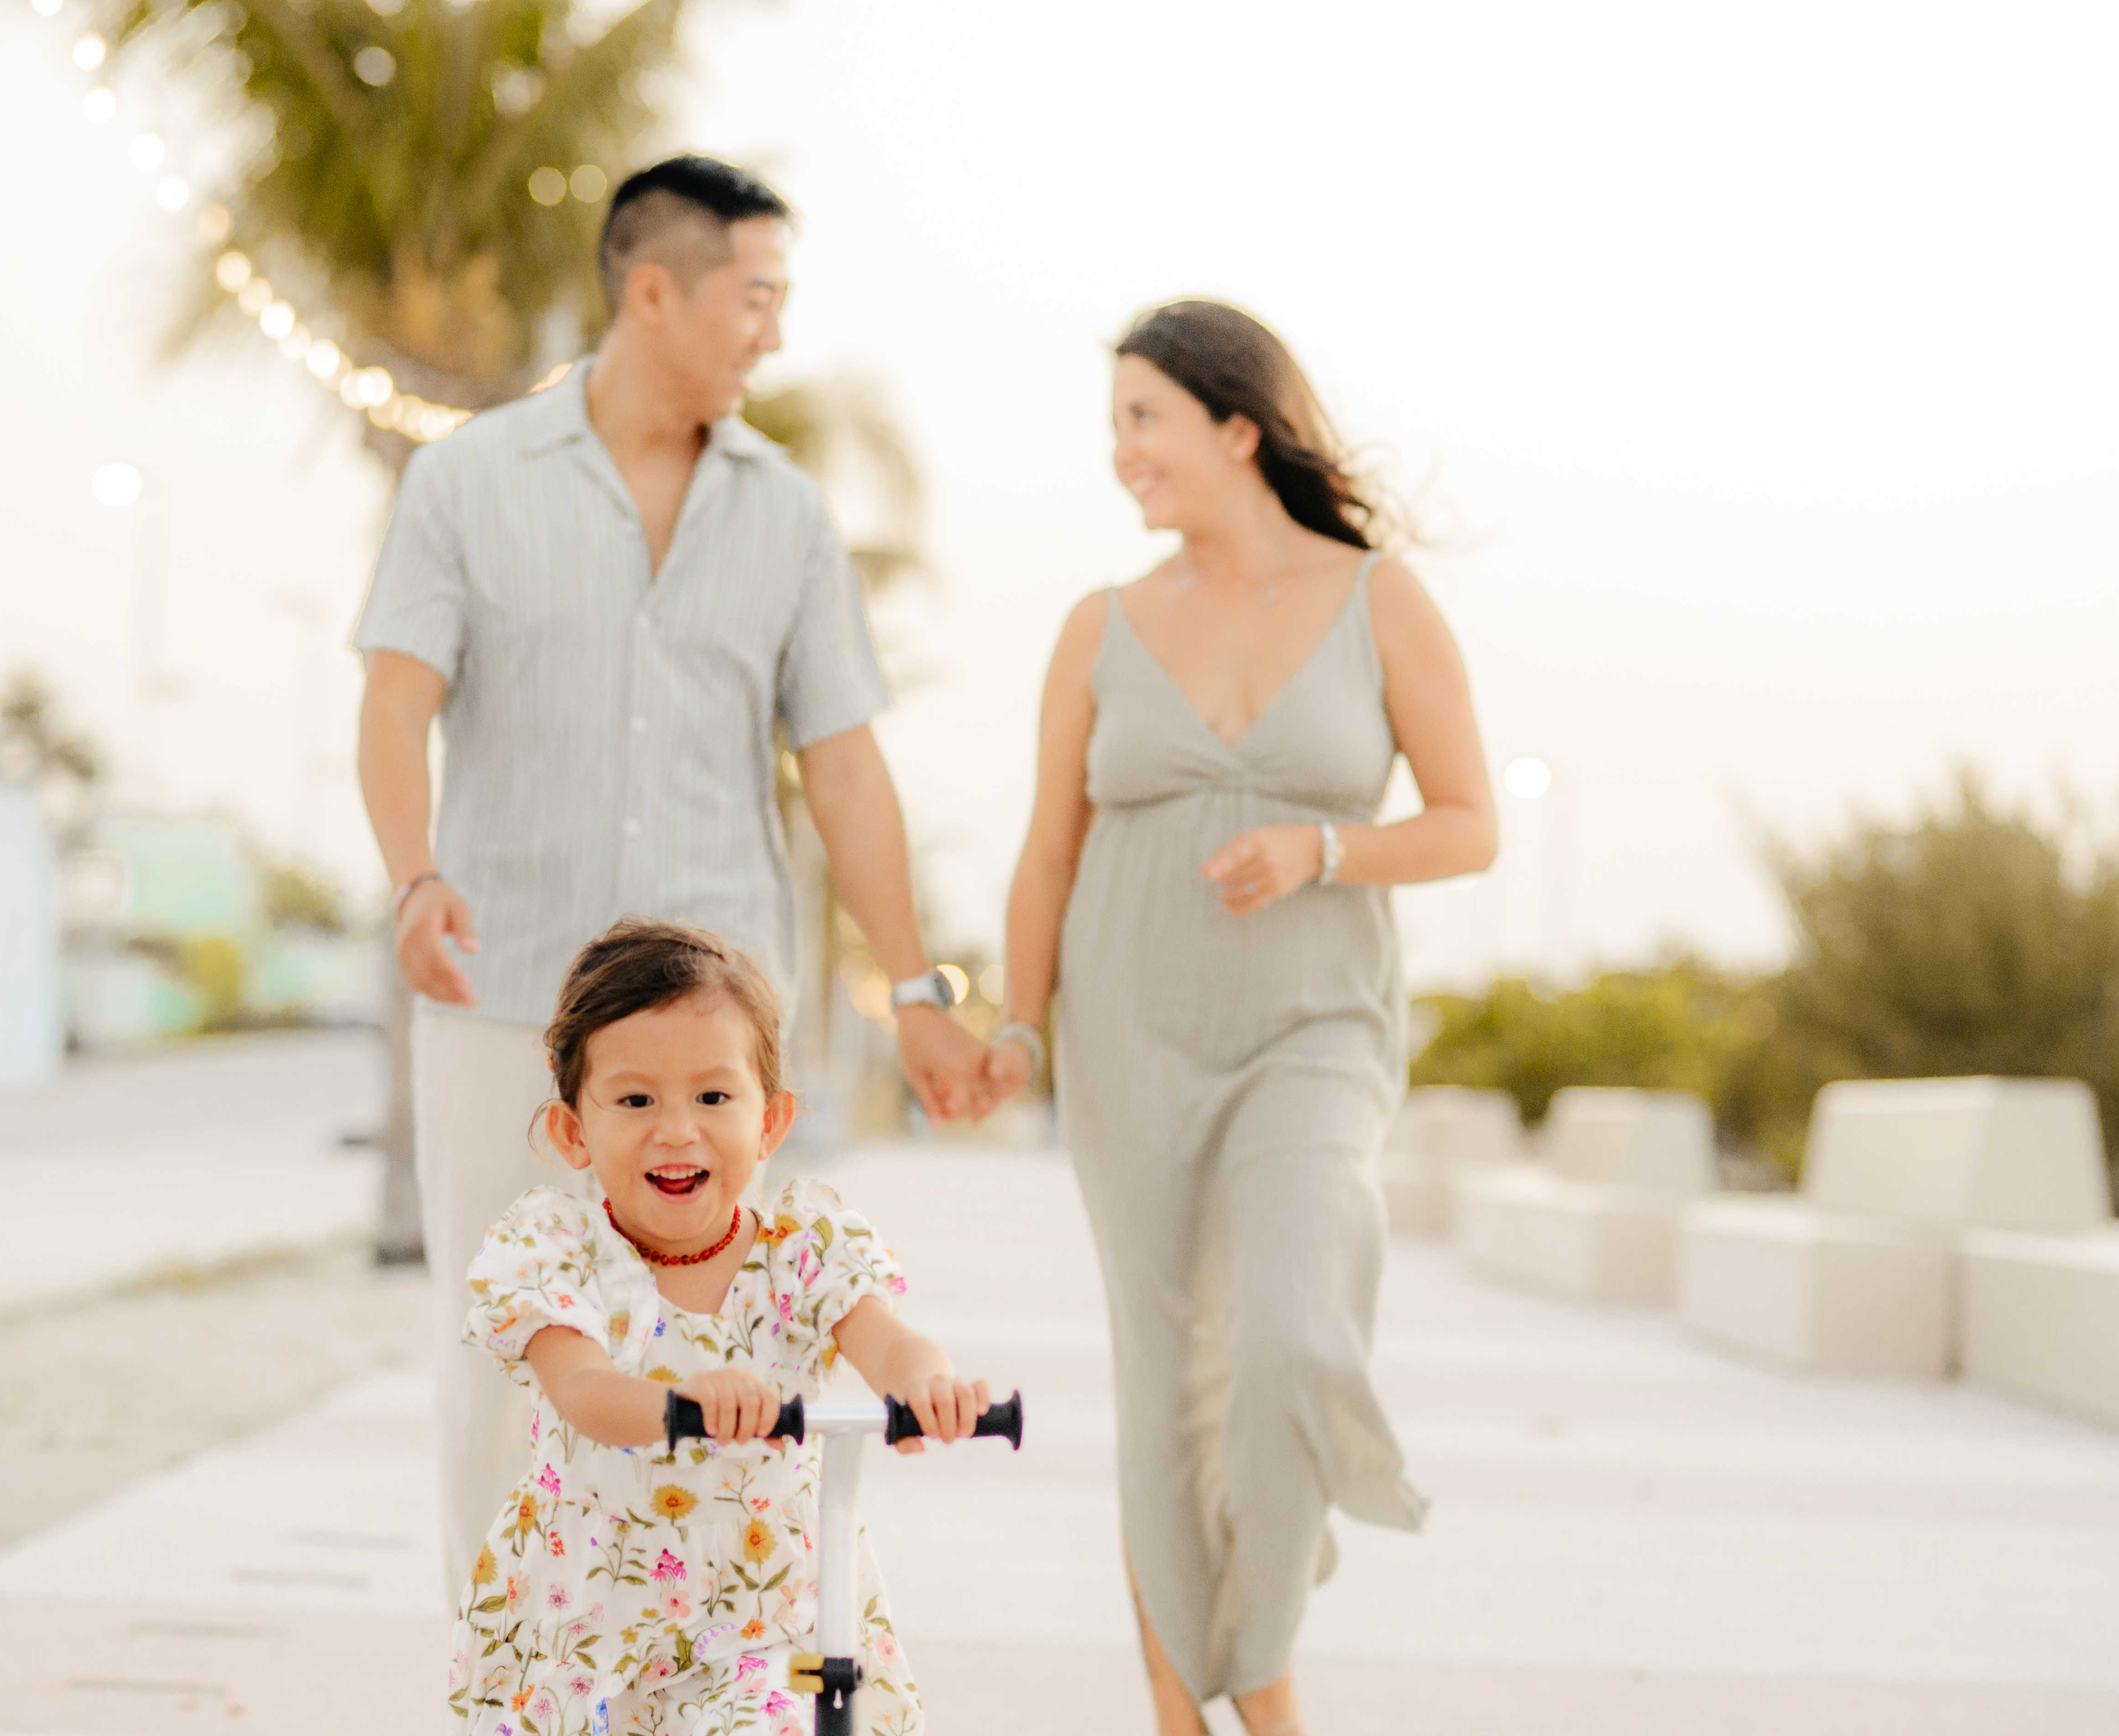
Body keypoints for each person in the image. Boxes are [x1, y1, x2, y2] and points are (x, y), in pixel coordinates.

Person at [353, 155, 996, 1609]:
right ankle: (513, 1683)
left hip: (716, 1031)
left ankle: (713, 1675)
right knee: (503, 1363)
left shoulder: (789, 516)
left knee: (746, 1369)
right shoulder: (469, 481)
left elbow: (844, 766)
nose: (773, 331)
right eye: (755, 297)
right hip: (503, 997)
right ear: (656, 292)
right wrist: (415, 878)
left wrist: (915, 992)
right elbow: (395, 705)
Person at [977, 300, 1498, 1736]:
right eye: (1113, 428)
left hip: (1314, 1028)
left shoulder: (1378, 598)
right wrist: (1020, 1030)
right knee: (1168, 1382)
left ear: (1237, 427)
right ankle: (1183, 1713)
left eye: (1144, 420)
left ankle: (1257, 1659)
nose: (1122, 455)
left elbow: (1470, 826)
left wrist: (1323, 850)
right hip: (1128, 1036)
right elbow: (1047, 857)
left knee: (1284, 1336)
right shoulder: (1103, 624)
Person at [455, 918, 987, 1734]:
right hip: (594, 1626)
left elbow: (886, 1337)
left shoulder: (801, 1251)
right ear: (572, 1131)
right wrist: (683, 1399)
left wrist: (926, 1383)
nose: (677, 1129)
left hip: (769, 1624)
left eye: (713, 1096)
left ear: (771, 1123)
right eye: (635, 1100)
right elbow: (584, 1390)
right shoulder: (557, 1252)